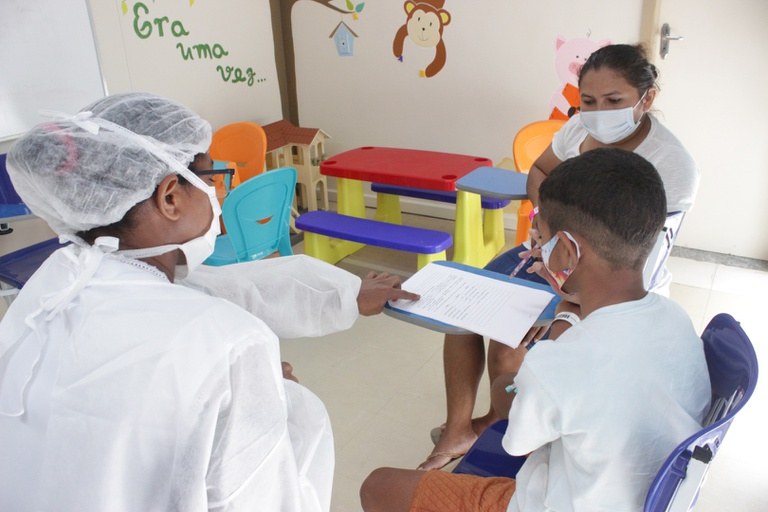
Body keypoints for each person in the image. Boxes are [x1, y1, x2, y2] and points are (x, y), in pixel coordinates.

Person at [0, 92, 417, 512]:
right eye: (211, 177)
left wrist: (344, 294)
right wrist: (281, 396)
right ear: (170, 197)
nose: (217, 192)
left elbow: (218, 290)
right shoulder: (229, 345)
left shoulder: (51, 286)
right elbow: (271, 500)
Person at [360, 148, 711, 512]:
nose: (537, 251)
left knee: (379, 486)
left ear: (569, 251)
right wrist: (563, 322)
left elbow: (516, 433)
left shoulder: (558, 365)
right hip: (638, 495)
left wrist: (513, 372)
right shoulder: (676, 319)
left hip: (552, 503)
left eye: (541, 240)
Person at [420, 43, 699, 470]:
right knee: (465, 310)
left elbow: (638, 260)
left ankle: (503, 425)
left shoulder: (672, 165)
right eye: (588, 101)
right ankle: (459, 429)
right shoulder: (576, 131)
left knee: (511, 342)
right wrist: (547, 225)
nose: (599, 112)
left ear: (647, 98)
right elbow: (540, 170)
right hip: (556, 253)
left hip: (606, 278)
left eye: (614, 101)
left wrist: (567, 304)